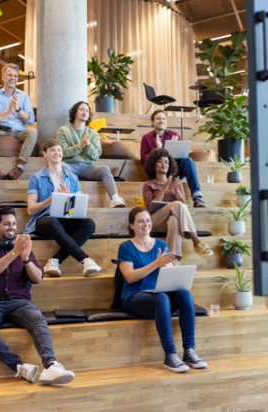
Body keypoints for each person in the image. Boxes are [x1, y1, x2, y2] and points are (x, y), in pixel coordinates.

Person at [0, 207, 75, 385]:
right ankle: (20, 367)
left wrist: (26, 259)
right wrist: (14, 253)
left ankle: (51, 365)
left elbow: (37, 278)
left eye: (14, 224)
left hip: (20, 303)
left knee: (37, 318)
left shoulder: (24, 250)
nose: (11, 227)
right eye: (6, 224)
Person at [118, 207, 208, 373]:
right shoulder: (126, 247)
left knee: (185, 295)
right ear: (132, 225)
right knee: (161, 298)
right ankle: (170, 355)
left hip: (159, 296)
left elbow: (168, 273)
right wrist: (156, 263)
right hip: (134, 297)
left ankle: (189, 351)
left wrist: (170, 267)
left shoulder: (161, 244)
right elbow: (130, 277)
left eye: (148, 220)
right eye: (141, 221)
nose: (146, 224)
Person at [25, 139, 101, 278]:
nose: (57, 153)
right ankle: (84, 259)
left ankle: (55, 260)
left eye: (59, 150)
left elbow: (77, 211)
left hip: (65, 219)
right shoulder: (36, 177)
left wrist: (68, 201)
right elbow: (31, 210)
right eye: (52, 150)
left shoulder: (72, 178)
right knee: (52, 221)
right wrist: (50, 200)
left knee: (89, 223)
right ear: (44, 154)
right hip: (44, 221)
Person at [142, 148, 213, 260]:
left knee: (174, 220)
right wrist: (164, 188)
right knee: (176, 205)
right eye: (160, 161)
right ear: (153, 164)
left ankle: (172, 259)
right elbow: (150, 208)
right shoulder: (148, 184)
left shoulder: (176, 182)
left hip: (171, 218)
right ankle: (196, 241)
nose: (163, 164)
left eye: (166, 162)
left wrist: (178, 193)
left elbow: (183, 208)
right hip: (155, 220)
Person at [56, 101, 127, 208]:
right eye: (82, 109)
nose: (85, 112)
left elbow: (95, 156)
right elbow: (62, 153)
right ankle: (64, 202)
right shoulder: (63, 130)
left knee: (104, 169)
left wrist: (88, 145)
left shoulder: (93, 133)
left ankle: (115, 198)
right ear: (75, 112)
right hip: (69, 166)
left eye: (87, 111)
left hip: (87, 167)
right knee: (59, 167)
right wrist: (80, 146)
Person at [140, 110, 206, 208]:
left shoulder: (174, 135)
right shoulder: (146, 138)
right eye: (158, 118)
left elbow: (180, 156)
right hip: (157, 173)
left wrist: (172, 146)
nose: (161, 121)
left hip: (172, 170)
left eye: (163, 118)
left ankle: (197, 197)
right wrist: (158, 149)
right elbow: (143, 160)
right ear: (152, 122)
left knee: (188, 161)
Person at [0, 63, 38, 180]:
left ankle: (19, 168)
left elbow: (31, 120)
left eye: (15, 76)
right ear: (2, 77)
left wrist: (18, 109)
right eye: (9, 75)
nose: (13, 78)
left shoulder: (24, 96)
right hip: (0, 129)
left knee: (32, 132)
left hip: (19, 131)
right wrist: (9, 111)